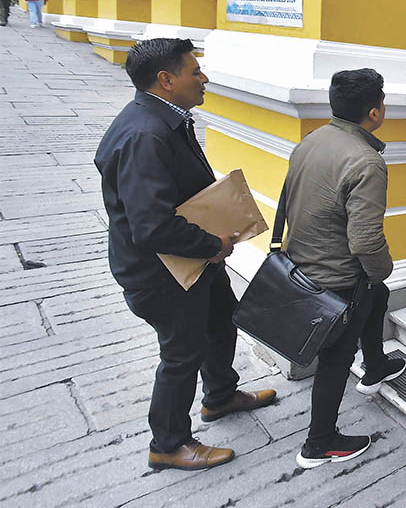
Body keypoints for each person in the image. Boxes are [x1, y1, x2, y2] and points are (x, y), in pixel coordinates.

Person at [95, 38, 277, 472]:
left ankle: (219, 396)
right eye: (195, 72)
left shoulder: (166, 118)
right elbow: (151, 225)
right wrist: (213, 245)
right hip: (164, 271)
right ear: (167, 79)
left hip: (194, 261)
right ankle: (169, 442)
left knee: (220, 322)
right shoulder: (144, 134)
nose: (204, 79)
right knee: (181, 353)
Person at [282, 68, 401, 468]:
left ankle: (376, 367)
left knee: (377, 298)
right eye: (382, 101)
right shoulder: (366, 161)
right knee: (335, 358)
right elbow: (365, 241)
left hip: (302, 263)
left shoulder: (312, 139)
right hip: (336, 279)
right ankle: (320, 444)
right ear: (374, 112)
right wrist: (383, 268)